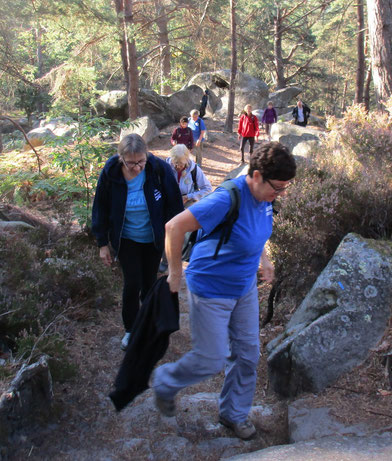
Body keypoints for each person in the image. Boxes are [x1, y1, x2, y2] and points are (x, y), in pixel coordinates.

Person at [153, 142, 296, 440]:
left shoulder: (266, 198)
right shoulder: (226, 198)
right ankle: (166, 381)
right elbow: (173, 227)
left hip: (243, 288)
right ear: (256, 176)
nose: (280, 194)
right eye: (278, 188)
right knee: (212, 358)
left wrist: (264, 260)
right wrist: (176, 272)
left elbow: (256, 232)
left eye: (285, 188)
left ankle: (234, 414)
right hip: (211, 288)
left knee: (247, 354)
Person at [92, 134, 183, 351]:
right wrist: (102, 243)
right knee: (132, 283)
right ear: (121, 158)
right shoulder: (111, 172)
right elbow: (100, 207)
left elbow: (174, 205)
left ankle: (149, 324)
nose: (137, 167)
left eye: (141, 161)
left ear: (147, 155)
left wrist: (174, 240)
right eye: (131, 163)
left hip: (153, 238)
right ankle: (131, 329)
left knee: (149, 283)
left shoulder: (158, 169)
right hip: (126, 238)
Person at [159, 143, 212, 272]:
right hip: (167, 203)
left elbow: (207, 189)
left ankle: (178, 260)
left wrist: (189, 196)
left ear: (187, 160)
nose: (177, 167)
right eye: (175, 163)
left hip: (185, 204)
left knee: (180, 233)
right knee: (165, 231)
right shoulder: (164, 168)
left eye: (181, 164)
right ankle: (164, 260)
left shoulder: (194, 170)